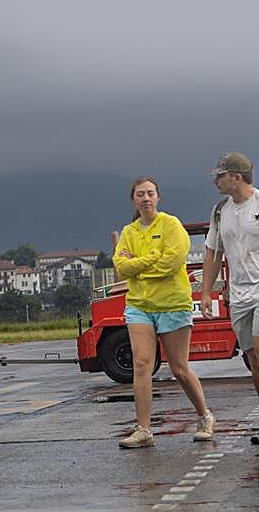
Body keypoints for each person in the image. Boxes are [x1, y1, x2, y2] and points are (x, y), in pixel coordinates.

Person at [114, 177, 215, 448]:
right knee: (142, 364)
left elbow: (171, 263)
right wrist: (148, 262)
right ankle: (143, 429)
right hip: (139, 305)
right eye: (140, 194)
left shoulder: (171, 225)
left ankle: (204, 416)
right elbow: (120, 267)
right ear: (133, 199)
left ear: (158, 197)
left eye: (150, 193)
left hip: (172, 303)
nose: (145, 198)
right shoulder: (129, 231)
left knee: (179, 368)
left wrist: (139, 267)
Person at [201, 152, 259, 398]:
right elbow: (212, 253)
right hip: (239, 295)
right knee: (253, 359)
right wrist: (205, 292)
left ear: (237, 177)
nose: (215, 182)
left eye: (220, 176)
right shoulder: (220, 211)